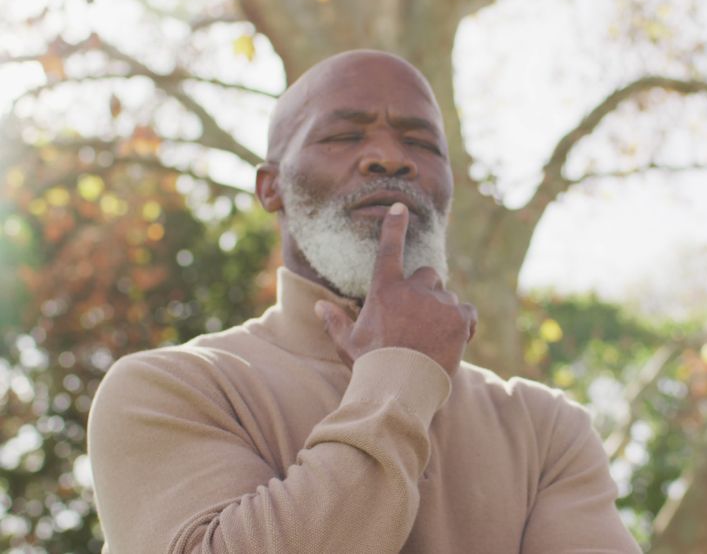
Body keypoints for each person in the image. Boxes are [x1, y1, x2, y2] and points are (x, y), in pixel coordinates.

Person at [87, 49, 641, 553]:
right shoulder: (169, 388)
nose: (389, 158)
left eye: (421, 144)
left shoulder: (546, 429)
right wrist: (402, 374)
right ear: (270, 187)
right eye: (345, 137)